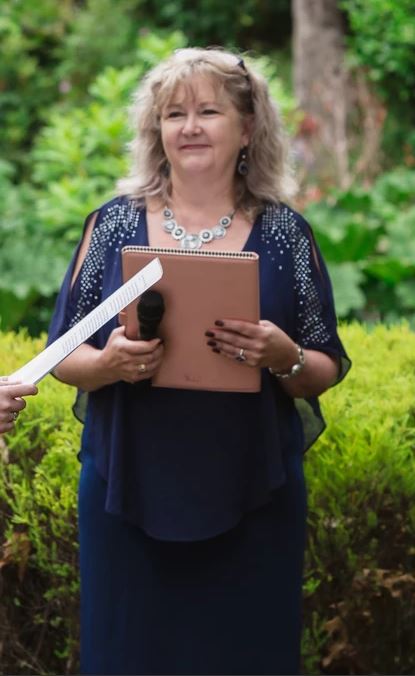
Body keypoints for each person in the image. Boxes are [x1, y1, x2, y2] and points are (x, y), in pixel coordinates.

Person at [47, 47, 350, 675]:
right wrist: (109, 365)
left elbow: (324, 364)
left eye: (208, 111)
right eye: (173, 114)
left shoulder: (286, 234)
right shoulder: (112, 226)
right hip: (126, 494)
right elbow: (63, 353)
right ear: (156, 131)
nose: (189, 127)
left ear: (247, 128)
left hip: (253, 496)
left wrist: (284, 356)